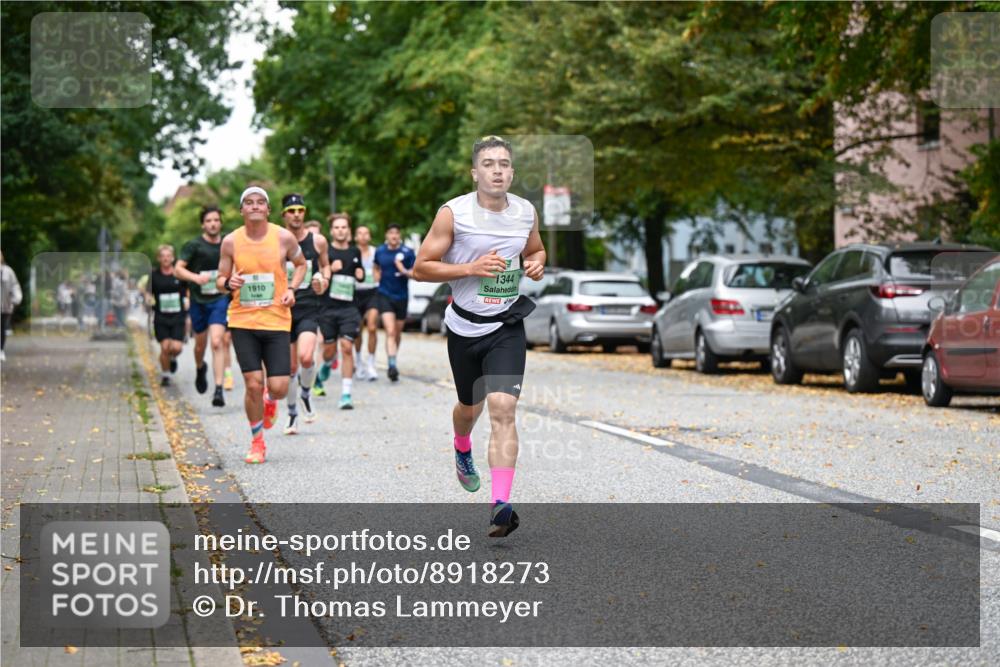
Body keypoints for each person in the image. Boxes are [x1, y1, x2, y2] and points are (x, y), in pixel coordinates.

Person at [413, 135, 546, 537]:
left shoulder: (525, 212)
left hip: (506, 325)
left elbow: (536, 251)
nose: (497, 170)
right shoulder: (453, 213)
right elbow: (421, 267)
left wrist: (537, 264)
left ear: (512, 172)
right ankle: (461, 444)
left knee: (503, 409)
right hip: (464, 326)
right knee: (469, 408)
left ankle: (501, 504)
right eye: (488, 164)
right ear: (475, 173)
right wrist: (470, 268)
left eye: (504, 164)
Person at [216, 186, 308, 464]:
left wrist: (292, 288)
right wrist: (227, 283)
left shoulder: (283, 237)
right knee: (253, 383)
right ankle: (257, 442)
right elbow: (220, 279)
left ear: (268, 210)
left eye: (260, 203)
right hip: (242, 320)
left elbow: (301, 264)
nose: (254, 206)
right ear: (241, 210)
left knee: (278, 386)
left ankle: (271, 401)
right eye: (249, 202)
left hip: (277, 319)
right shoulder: (230, 242)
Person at [175, 206, 235, 407]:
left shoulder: (228, 243)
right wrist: (196, 278)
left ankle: (218, 390)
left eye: (216, 220)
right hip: (199, 301)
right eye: (209, 220)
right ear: (203, 224)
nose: (213, 224)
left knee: (217, 341)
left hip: (219, 299)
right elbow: (178, 269)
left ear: (221, 222)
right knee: (200, 345)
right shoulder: (194, 246)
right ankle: (200, 367)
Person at [280, 194, 330, 434]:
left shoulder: (317, 241)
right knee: (289, 368)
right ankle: (291, 415)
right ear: (284, 215)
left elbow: (326, 265)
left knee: (307, 358)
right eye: (291, 210)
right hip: (283, 310)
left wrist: (325, 279)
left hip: (309, 307)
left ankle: (306, 393)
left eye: (300, 209)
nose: (296, 214)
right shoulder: (276, 242)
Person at [318, 213, 365, 409]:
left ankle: (346, 394)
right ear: (331, 231)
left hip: (349, 308)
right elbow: (318, 279)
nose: (340, 230)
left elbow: (359, 272)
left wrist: (360, 274)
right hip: (328, 308)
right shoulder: (325, 252)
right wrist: (330, 270)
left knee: (347, 347)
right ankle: (327, 364)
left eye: (344, 227)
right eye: (336, 227)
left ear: (349, 230)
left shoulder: (355, 251)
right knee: (329, 351)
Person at [373, 224, 416, 381]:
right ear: (387, 235)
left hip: (402, 296)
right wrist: (376, 276)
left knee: (397, 333)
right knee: (390, 331)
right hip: (384, 294)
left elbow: (415, 273)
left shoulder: (408, 252)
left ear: (399, 236)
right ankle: (392, 366)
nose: (394, 236)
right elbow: (376, 266)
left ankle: (393, 359)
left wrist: (403, 270)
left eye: (397, 233)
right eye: (391, 233)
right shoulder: (380, 251)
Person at [147, 245, 187, 386]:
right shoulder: (154, 275)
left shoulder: (179, 274)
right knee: (165, 347)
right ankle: (166, 375)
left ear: (173, 258)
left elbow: (187, 291)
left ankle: (172, 359)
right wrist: (148, 299)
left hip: (178, 316)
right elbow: (148, 292)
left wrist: (187, 301)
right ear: (159, 258)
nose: (166, 258)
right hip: (161, 316)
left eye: (168, 256)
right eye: (163, 256)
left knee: (176, 348)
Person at [351, 224, 380, 381]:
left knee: (372, 327)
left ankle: (371, 364)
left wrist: (378, 275)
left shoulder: (376, 252)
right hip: (355, 293)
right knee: (357, 331)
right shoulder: (351, 252)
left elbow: (381, 268)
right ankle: (358, 362)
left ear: (369, 236)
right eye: (359, 233)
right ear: (356, 237)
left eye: (366, 233)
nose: (363, 236)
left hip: (372, 292)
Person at [0, 252, 23, 362]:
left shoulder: (8, 271)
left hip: (5, 305)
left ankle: (1, 350)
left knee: (2, 328)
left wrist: (16, 298)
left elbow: (15, 285)